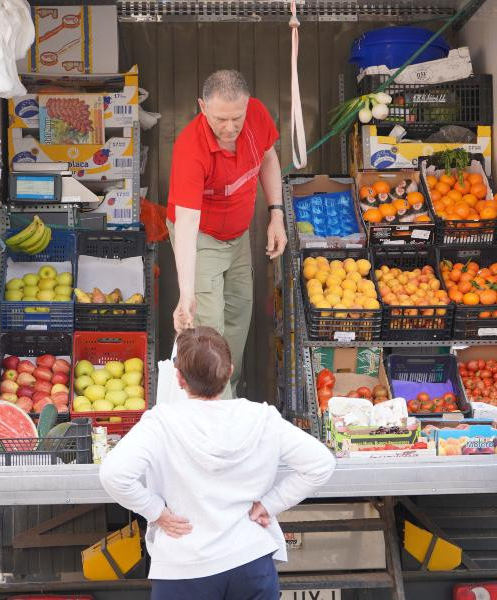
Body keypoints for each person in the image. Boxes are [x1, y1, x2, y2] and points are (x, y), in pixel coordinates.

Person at [99, 326, 336, 600]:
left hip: (183, 567)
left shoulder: (161, 422)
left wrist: (156, 512)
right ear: (230, 370)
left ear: (178, 378)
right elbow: (320, 464)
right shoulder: (261, 417)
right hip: (250, 560)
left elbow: (114, 474)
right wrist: (270, 504)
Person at [166, 69, 287, 397]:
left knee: (237, 319)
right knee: (210, 330)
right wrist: (186, 292)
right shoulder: (190, 147)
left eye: (237, 117)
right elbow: (187, 223)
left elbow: (268, 158)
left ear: (248, 105)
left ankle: (229, 393)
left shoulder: (258, 115)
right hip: (201, 237)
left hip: (238, 236)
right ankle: (214, 409)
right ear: (202, 107)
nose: (230, 127)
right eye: (221, 119)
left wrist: (276, 214)